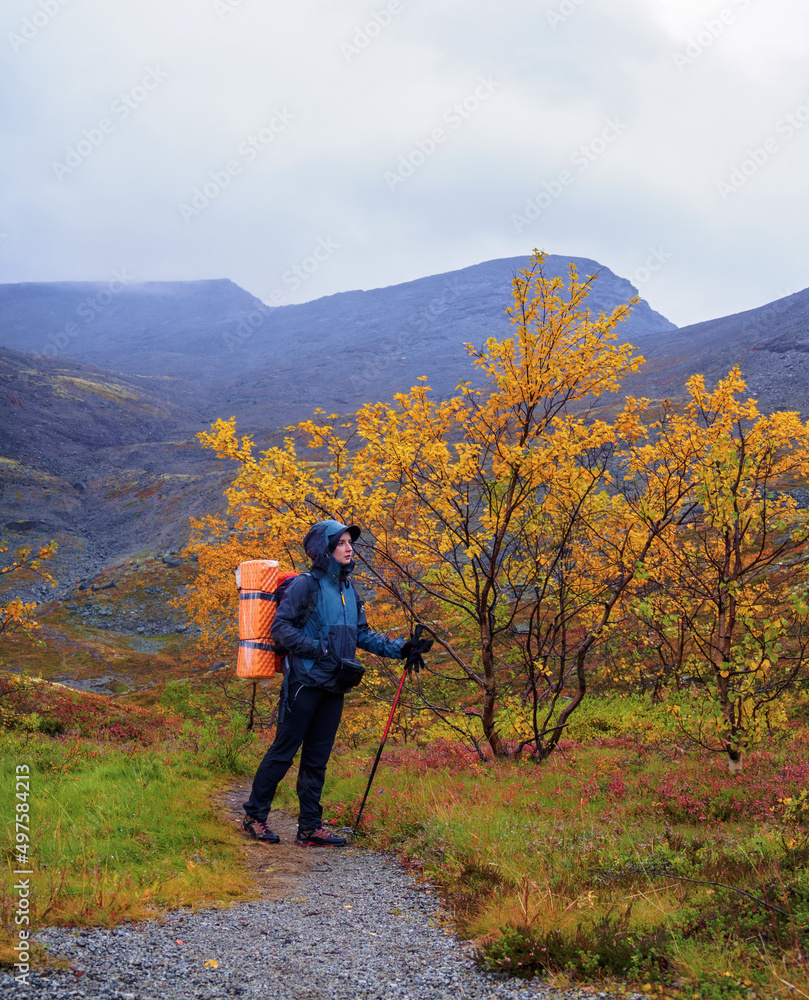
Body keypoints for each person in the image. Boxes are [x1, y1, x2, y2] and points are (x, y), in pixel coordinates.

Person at [242, 518, 423, 847]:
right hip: (304, 682)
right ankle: (255, 816)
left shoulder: (348, 589)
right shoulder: (305, 586)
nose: (349, 548)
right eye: (340, 543)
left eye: (349, 542)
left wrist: (401, 648)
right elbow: (281, 629)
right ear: (323, 549)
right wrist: (317, 649)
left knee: (317, 758)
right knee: (283, 752)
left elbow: (363, 634)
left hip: (334, 684)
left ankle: (309, 827)